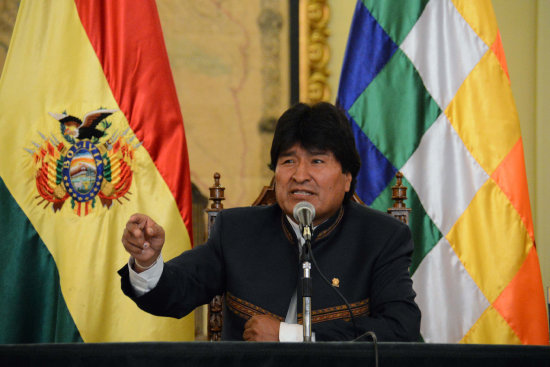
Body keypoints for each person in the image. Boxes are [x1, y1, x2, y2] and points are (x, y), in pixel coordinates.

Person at [119, 102, 421, 342]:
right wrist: (147, 263)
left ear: (346, 179)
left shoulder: (381, 238)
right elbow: (178, 291)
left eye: (317, 161)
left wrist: (290, 336)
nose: (300, 175)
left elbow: (400, 327)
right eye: (288, 161)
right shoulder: (237, 231)